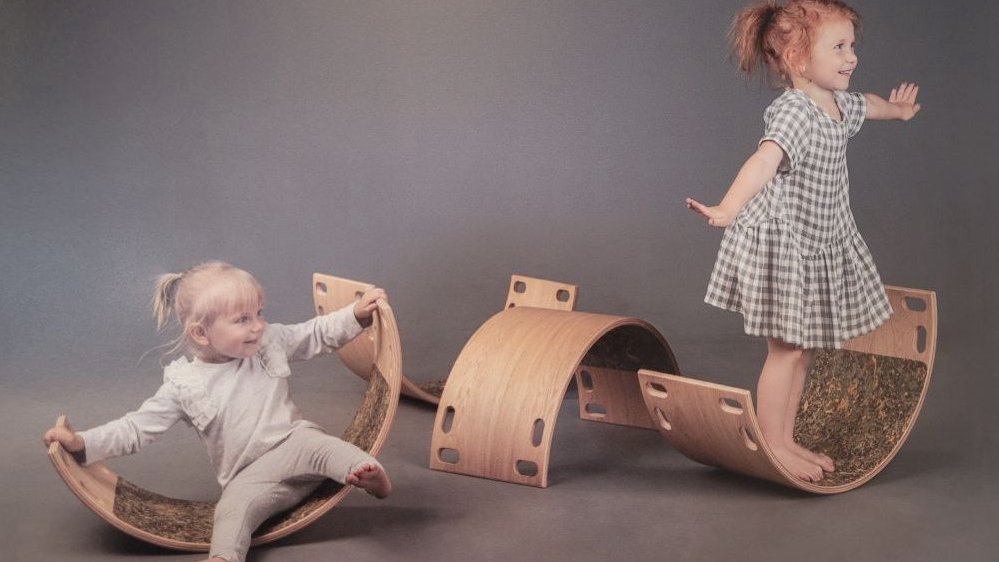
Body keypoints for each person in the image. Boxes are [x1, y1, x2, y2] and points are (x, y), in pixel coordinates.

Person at [685, 0, 921, 482]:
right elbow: (765, 161)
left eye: (852, 46)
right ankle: (773, 443)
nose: (851, 56)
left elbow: (868, 105)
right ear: (797, 60)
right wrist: (729, 206)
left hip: (820, 241)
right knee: (787, 350)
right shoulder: (795, 112)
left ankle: (785, 438)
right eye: (838, 47)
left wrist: (896, 111)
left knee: (804, 347)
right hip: (785, 248)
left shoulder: (838, 104)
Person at [43, 261, 392, 562]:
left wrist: (356, 316)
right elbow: (136, 429)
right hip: (250, 478)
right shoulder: (186, 385)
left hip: (296, 444)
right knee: (231, 510)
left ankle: (366, 475)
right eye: (242, 319)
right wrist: (83, 444)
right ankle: (224, 556)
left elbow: (315, 333)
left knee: (324, 447)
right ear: (201, 332)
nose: (257, 325)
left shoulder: (269, 341)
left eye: (259, 313)